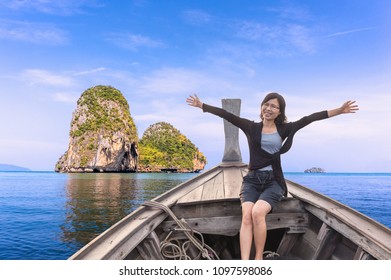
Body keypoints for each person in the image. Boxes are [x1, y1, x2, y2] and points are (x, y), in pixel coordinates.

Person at [186, 93, 358, 260]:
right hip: (252, 180)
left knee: (257, 213)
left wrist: (340, 110)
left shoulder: (285, 129)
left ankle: (259, 258)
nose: (268, 108)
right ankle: (245, 263)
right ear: (261, 107)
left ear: (279, 111)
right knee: (247, 215)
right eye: (266, 104)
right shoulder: (251, 127)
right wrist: (202, 105)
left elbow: (310, 118)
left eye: (273, 106)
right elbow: (225, 114)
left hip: (273, 181)